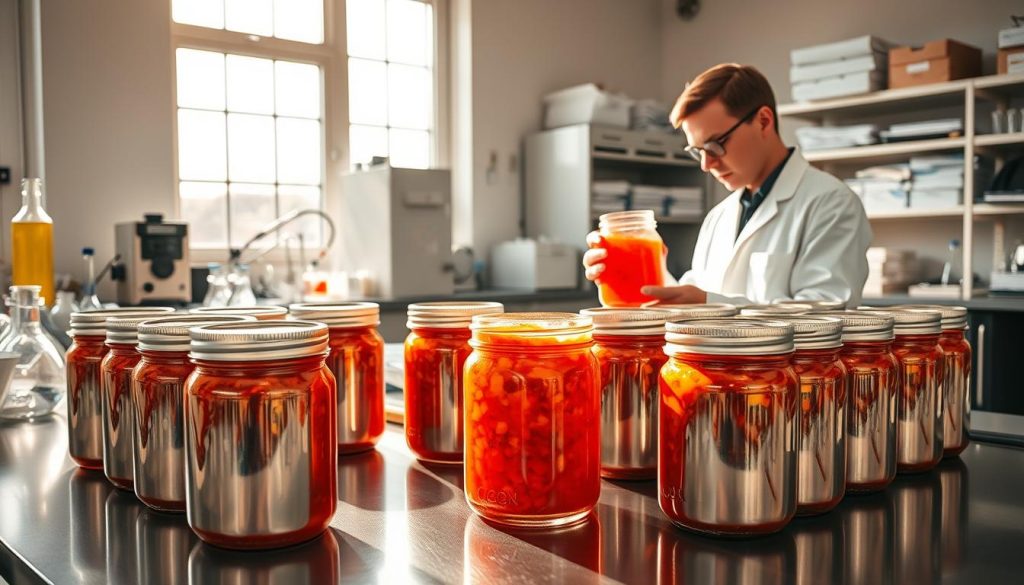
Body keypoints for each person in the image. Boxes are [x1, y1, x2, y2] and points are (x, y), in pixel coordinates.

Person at [583, 64, 872, 306]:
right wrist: (632, 275)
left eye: (715, 145)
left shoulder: (831, 202)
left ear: (763, 121)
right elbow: (692, 302)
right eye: (697, 150)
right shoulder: (719, 217)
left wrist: (711, 306)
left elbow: (828, 318)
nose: (706, 164)